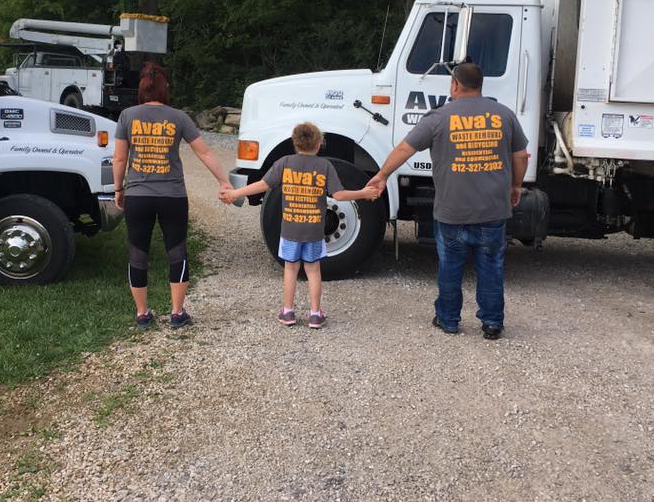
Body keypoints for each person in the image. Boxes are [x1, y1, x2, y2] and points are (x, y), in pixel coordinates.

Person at [366, 62, 529, 340]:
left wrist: (382, 175)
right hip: (493, 210)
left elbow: (406, 148)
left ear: (455, 84)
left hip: (452, 212)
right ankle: (492, 323)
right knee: (491, 267)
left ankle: (448, 319)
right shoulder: (504, 115)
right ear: (480, 85)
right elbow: (521, 156)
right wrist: (515, 185)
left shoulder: (439, 117)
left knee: (450, 268)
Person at [221, 122, 378, 328]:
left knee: (291, 269)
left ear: (294, 142)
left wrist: (235, 193)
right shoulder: (324, 166)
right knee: (313, 271)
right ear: (319, 143)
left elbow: (262, 185)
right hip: (314, 230)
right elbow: (339, 195)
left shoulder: (284, 163)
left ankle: (288, 312)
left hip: (290, 229)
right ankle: (315, 314)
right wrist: (363, 194)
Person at [113, 63, 230, 329]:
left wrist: (118, 189)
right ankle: (177, 313)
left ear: (141, 89)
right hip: (173, 197)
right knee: (177, 251)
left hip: (138, 196)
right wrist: (223, 181)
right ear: (165, 89)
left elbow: (119, 158)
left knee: (137, 252)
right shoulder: (179, 117)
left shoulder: (127, 116)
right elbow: (205, 152)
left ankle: (143, 314)